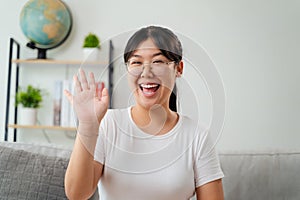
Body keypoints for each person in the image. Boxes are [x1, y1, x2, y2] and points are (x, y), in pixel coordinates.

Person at [64, 25, 224, 200]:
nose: (146, 72)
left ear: (179, 68)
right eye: (136, 62)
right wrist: (88, 126)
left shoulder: (197, 136)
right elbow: (76, 194)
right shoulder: (108, 124)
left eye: (158, 62)